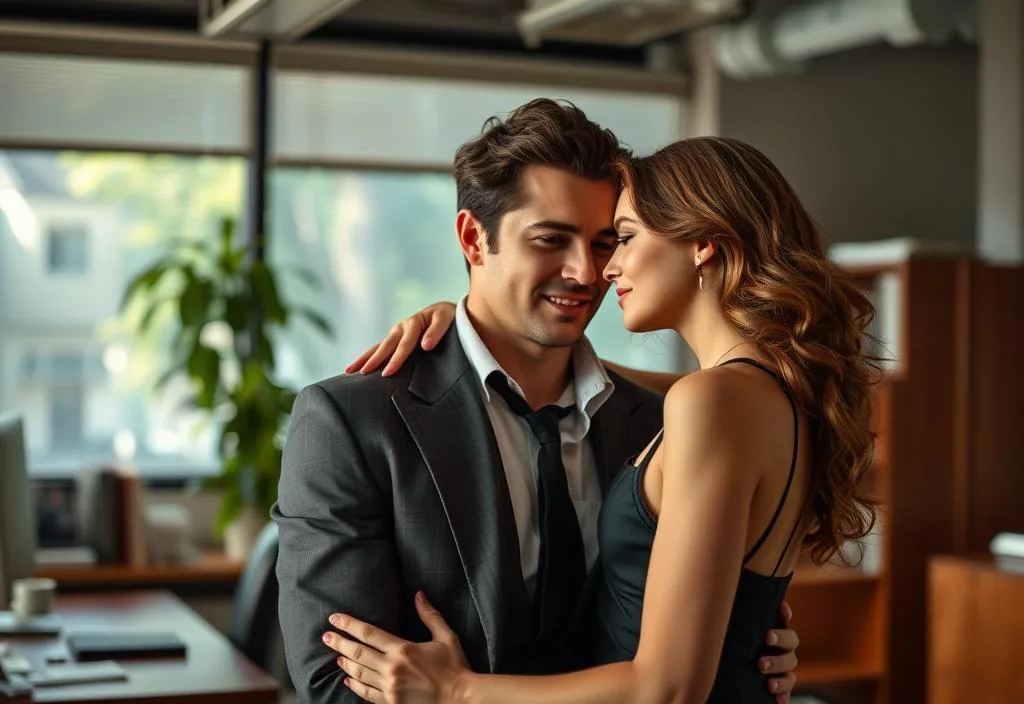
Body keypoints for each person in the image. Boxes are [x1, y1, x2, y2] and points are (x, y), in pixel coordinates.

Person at [273, 99, 800, 704]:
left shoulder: (661, 422)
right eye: (551, 239)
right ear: (474, 238)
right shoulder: (351, 422)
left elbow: (677, 650)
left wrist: (753, 643)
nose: (586, 272)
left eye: (609, 242)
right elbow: (334, 684)